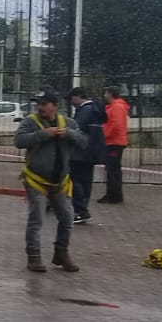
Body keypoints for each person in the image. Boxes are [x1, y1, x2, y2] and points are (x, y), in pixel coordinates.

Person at [15, 91, 86, 273]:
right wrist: (42, 134)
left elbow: (83, 141)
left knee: (67, 218)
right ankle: (34, 257)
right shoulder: (30, 122)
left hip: (60, 181)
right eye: (38, 103)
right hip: (36, 180)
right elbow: (19, 140)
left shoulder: (68, 122)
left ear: (54, 105)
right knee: (36, 220)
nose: (40, 107)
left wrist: (69, 134)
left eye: (44, 104)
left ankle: (61, 253)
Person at [67, 87, 106, 225]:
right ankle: (83, 208)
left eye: (72, 98)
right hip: (91, 152)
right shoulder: (95, 109)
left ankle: (81, 209)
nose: (71, 102)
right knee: (86, 181)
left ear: (78, 96)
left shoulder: (85, 111)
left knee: (75, 179)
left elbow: (78, 130)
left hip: (80, 152)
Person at [99, 85, 129, 205]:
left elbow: (115, 125)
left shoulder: (116, 107)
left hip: (114, 142)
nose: (104, 95)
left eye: (106, 93)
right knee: (114, 169)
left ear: (110, 94)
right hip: (116, 141)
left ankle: (113, 195)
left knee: (112, 170)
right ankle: (115, 194)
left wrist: (104, 135)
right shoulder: (117, 106)